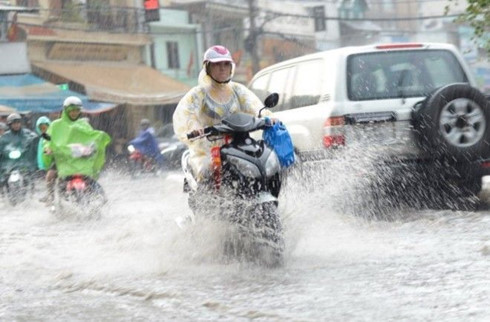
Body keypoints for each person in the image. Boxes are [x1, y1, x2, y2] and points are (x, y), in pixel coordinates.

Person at [173, 45, 273, 182]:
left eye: (226, 64)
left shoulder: (238, 90)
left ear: (231, 67)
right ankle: (209, 200)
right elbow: (187, 116)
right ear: (207, 67)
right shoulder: (198, 94)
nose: (222, 68)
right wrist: (195, 130)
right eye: (217, 64)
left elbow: (254, 106)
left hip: (238, 143)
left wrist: (269, 118)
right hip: (208, 148)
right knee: (207, 172)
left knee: (264, 160)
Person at [43, 96, 111, 205]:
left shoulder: (84, 124)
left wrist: (96, 143)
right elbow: (46, 138)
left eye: (76, 110)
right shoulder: (55, 125)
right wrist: (47, 147)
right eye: (71, 110)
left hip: (81, 158)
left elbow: (91, 137)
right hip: (63, 158)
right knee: (51, 175)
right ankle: (50, 198)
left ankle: (101, 199)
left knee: (91, 178)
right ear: (66, 110)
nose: (74, 113)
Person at [0, 113, 38, 190]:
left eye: (18, 122)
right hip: (9, 163)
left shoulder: (26, 133)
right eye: (14, 123)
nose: (16, 125)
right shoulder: (5, 136)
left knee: (29, 175)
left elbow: (34, 137)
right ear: (10, 125)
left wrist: (29, 142)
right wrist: (7, 151)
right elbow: (2, 146)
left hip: (24, 161)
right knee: (4, 177)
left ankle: (30, 189)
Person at [35, 116, 56, 203]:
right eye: (41, 128)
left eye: (45, 127)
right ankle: (50, 196)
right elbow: (42, 152)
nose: (43, 129)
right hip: (52, 161)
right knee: (49, 177)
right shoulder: (42, 138)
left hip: (62, 158)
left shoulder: (53, 134)